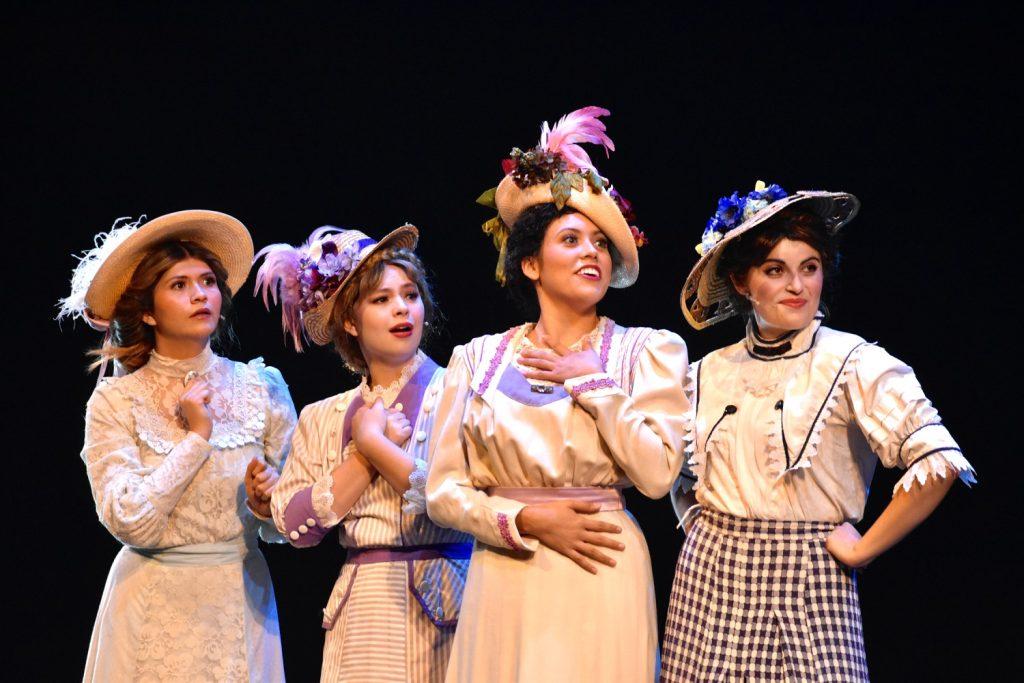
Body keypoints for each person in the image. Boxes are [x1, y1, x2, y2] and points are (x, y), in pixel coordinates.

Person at [661, 182, 977, 681]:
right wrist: (702, 530)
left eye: (810, 268)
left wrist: (863, 547)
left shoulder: (853, 361)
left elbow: (938, 460)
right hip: (709, 583)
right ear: (743, 283)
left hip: (807, 582)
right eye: (775, 270)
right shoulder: (706, 372)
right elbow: (677, 476)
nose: (798, 286)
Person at [426, 107, 689, 682]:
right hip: (506, 565)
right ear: (530, 263)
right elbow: (443, 490)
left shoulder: (648, 351)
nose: (590, 252)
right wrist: (524, 520)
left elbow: (657, 474)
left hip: (602, 565)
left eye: (599, 242)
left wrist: (589, 379)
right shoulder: (476, 360)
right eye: (570, 239)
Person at [59, 210, 296, 682]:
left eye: (207, 281)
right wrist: (196, 439)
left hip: (240, 598)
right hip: (152, 604)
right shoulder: (116, 400)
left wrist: (270, 503)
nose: (199, 294)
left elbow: (296, 516)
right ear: (148, 310)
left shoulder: (261, 386)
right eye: (179, 285)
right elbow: (129, 519)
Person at [255, 224, 473, 682]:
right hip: (361, 609)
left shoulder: (459, 390)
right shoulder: (323, 415)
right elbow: (295, 527)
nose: (401, 308)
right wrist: (363, 455)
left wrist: (374, 445)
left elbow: (457, 499)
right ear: (350, 322)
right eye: (381, 299)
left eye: (410, 295)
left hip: (448, 597)